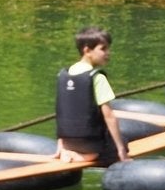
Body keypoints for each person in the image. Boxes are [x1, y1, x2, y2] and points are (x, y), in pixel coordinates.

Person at [55, 26, 129, 165]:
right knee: (124, 142)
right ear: (87, 50)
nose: (108, 53)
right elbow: (109, 116)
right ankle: (86, 157)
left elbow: (61, 113)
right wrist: (121, 150)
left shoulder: (64, 75)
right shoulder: (96, 77)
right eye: (103, 49)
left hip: (68, 142)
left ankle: (69, 151)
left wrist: (61, 143)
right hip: (90, 144)